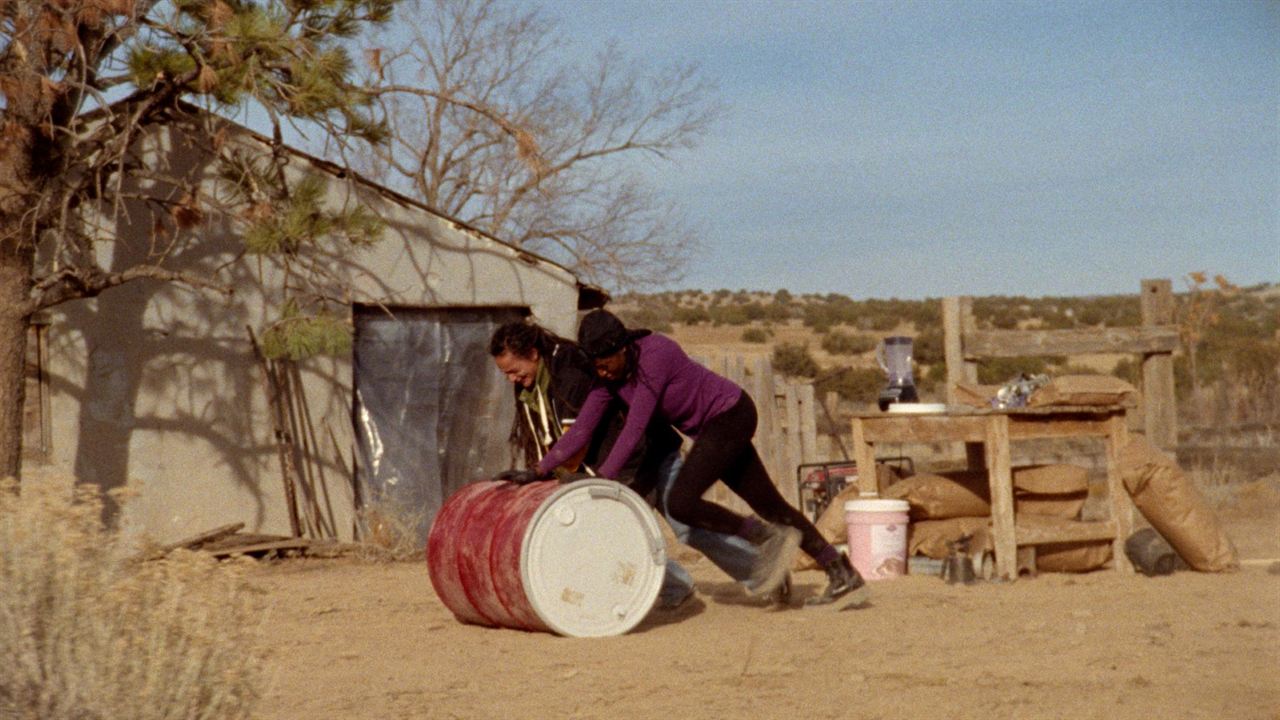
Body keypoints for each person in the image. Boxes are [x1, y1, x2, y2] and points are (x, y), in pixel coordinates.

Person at [535, 309, 864, 606]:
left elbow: (635, 426)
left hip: (731, 416)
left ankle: (761, 535)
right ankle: (840, 571)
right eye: (595, 366)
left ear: (621, 348)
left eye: (605, 364)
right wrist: (538, 470)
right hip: (711, 431)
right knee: (771, 505)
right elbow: (580, 431)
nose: (601, 372)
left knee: (681, 503)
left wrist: (604, 477)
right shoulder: (609, 378)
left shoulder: (656, 354)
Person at [487, 320, 771, 608]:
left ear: (533, 354)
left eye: (513, 370)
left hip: (647, 455)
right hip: (616, 467)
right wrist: (538, 470)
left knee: (685, 526)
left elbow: (596, 437)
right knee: (610, 539)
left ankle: (765, 573)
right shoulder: (534, 386)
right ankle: (676, 588)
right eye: (505, 373)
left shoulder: (570, 373)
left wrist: (574, 475)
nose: (510, 378)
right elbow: (582, 430)